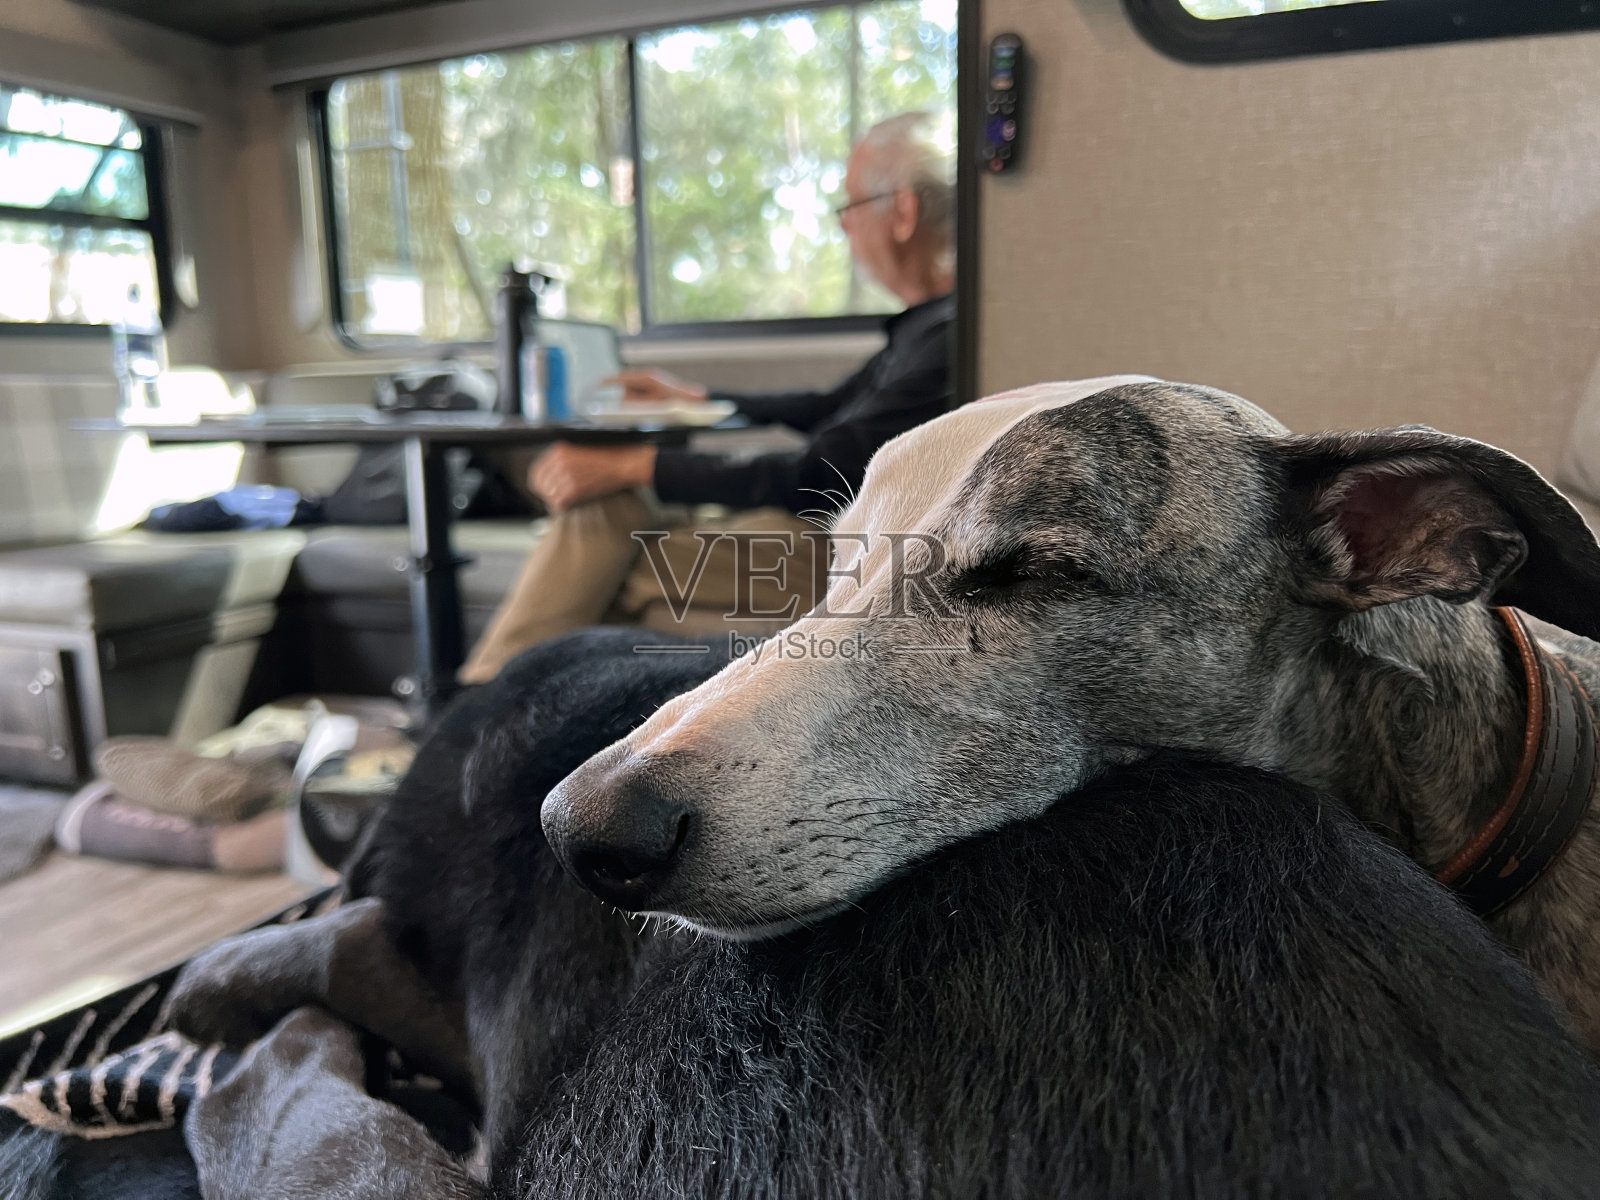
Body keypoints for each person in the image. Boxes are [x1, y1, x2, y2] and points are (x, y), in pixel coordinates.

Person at [459, 111, 957, 683]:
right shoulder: (924, 328)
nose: (843, 229)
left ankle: (477, 709)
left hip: (845, 547)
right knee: (606, 513)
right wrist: (702, 395)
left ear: (902, 212)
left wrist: (638, 463)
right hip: (812, 522)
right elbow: (823, 408)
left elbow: (817, 472)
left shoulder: (949, 339)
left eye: (849, 209)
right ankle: (500, 705)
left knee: (605, 556)